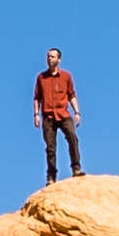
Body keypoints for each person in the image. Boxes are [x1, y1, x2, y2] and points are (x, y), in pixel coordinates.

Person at [34, 50, 82, 182]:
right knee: (50, 147)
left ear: (59, 59)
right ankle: (51, 177)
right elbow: (37, 98)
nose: (49, 59)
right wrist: (36, 114)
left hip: (63, 114)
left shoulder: (66, 76)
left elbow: (71, 95)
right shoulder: (41, 78)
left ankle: (76, 168)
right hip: (48, 116)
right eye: (48, 56)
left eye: (52, 56)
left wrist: (77, 112)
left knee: (73, 138)